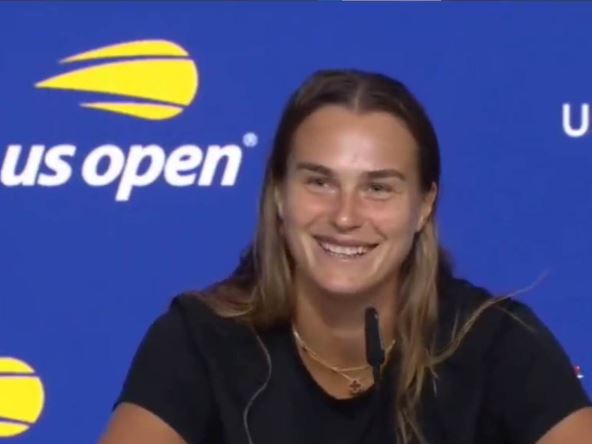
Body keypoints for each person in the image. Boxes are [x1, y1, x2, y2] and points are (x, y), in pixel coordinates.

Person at [100, 69, 592, 444]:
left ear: (424, 206)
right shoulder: (200, 338)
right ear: (279, 194)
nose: (344, 216)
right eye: (319, 182)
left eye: (378, 188)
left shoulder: (494, 340)